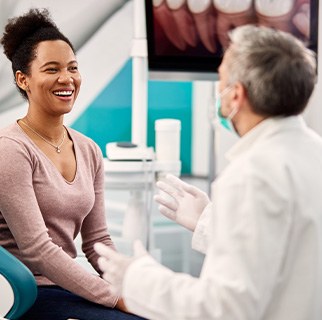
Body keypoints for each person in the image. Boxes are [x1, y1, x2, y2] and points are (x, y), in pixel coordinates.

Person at [94, 25, 322, 320]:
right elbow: (288, 251)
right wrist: (207, 222)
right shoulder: (313, 153)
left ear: (236, 95)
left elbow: (222, 309)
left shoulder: (250, 175)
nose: (218, 91)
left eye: (221, 80)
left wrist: (137, 278)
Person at [0, 8, 145, 320]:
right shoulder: (10, 150)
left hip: (69, 286)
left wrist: (131, 284)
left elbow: (97, 242)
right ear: (23, 80)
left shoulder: (89, 149)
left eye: (73, 68)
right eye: (52, 69)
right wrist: (116, 298)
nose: (66, 79)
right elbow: (38, 250)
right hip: (23, 293)